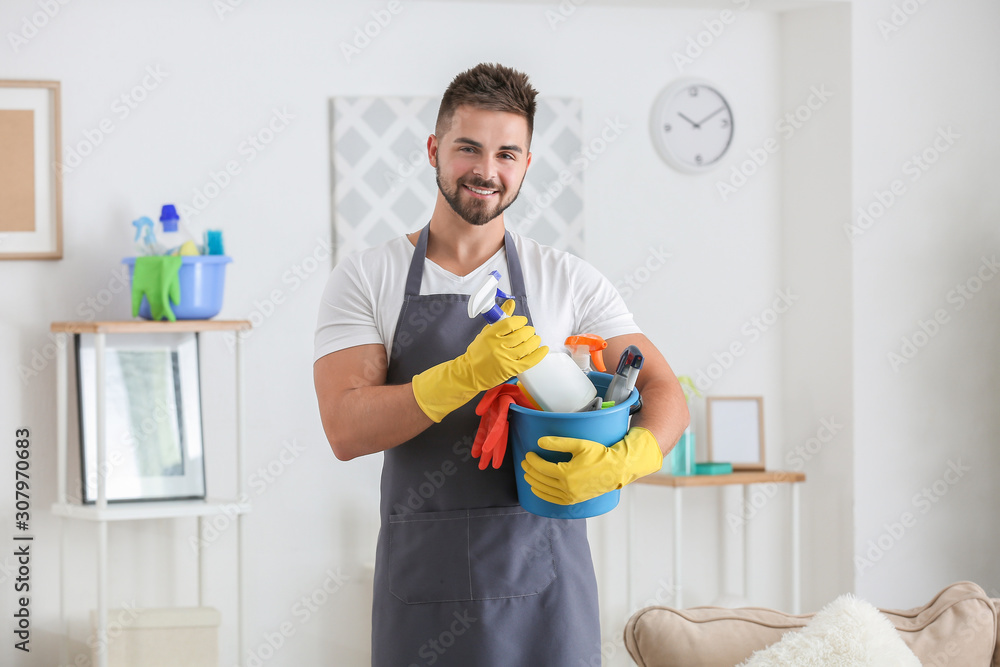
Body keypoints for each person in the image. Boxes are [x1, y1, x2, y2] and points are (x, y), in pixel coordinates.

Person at [313, 62, 689, 667]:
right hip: (422, 590)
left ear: (526, 165)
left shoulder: (566, 279)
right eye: (468, 148)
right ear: (435, 150)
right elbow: (346, 427)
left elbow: (661, 386)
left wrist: (627, 460)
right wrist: (464, 373)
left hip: (547, 594)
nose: (487, 171)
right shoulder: (368, 277)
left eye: (507, 154)